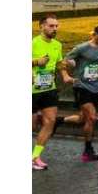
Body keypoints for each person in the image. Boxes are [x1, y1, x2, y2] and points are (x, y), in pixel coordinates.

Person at [64, 24, 98, 162]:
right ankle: (88, 150)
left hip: (97, 86)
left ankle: (60, 121)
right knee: (92, 118)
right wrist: (70, 67)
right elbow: (65, 61)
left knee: (83, 119)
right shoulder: (81, 48)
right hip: (81, 85)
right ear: (95, 34)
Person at [30, 15, 65, 170]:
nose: (54, 29)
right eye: (51, 26)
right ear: (41, 26)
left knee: (50, 121)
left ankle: (34, 157)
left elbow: (59, 63)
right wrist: (36, 62)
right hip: (32, 90)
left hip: (49, 88)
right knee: (31, 125)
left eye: (56, 26)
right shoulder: (33, 43)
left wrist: (66, 74)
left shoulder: (57, 45)